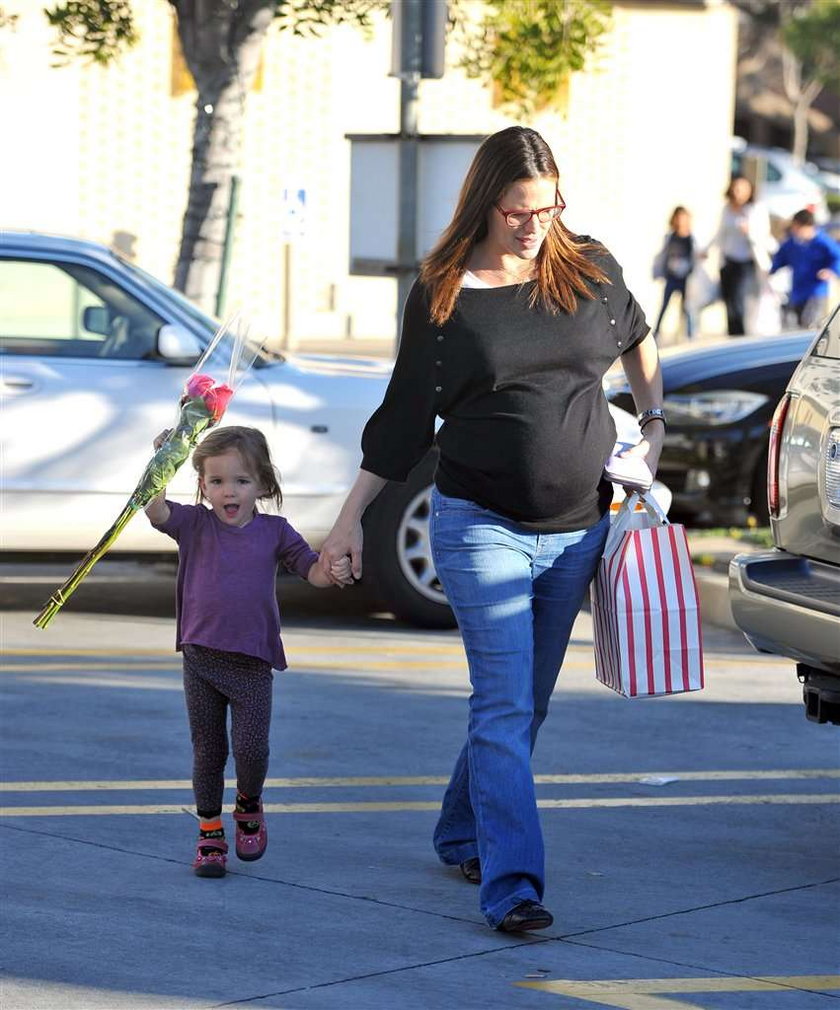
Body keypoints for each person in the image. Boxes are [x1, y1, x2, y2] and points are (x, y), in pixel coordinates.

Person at [317, 126, 665, 933]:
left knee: (524, 708)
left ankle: (459, 826)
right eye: (517, 211)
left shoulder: (591, 268)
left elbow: (640, 344)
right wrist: (347, 526)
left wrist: (653, 424)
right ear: (484, 203)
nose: (535, 226)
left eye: (547, 208)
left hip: (579, 528)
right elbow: (403, 420)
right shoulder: (444, 290)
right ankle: (513, 886)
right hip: (479, 525)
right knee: (502, 706)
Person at [145, 425, 352, 878]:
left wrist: (332, 568)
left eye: (240, 480)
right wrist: (162, 463)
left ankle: (248, 802)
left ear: (262, 484)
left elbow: (311, 571)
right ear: (202, 485)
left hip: (253, 664)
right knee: (208, 751)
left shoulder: (275, 532)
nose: (228, 491)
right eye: (216, 481)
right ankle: (210, 833)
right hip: (201, 659)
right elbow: (155, 510)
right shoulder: (194, 524)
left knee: (252, 750)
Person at [704, 176, 774, 336]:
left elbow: (764, 237)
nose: (738, 192)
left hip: (747, 262)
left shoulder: (756, 210)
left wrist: (749, 231)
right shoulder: (727, 209)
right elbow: (720, 233)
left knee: (740, 301)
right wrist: (707, 249)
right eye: (736, 188)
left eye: (742, 189)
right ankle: (732, 334)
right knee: (729, 301)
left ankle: (741, 336)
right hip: (728, 261)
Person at [770, 209, 840, 329]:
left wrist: (831, 270)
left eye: (799, 228)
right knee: (797, 323)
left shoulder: (823, 242)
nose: (796, 231)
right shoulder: (792, 243)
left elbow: (837, 257)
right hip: (798, 290)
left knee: (810, 322)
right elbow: (780, 258)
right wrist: (772, 270)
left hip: (816, 290)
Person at [652, 206, 697, 341]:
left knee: (687, 308)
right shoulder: (670, 237)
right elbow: (664, 255)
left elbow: (695, 256)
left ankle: (689, 334)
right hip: (672, 276)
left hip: (686, 278)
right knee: (664, 305)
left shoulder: (691, 238)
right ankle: (657, 332)